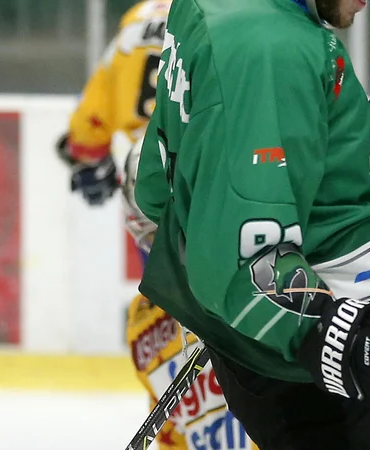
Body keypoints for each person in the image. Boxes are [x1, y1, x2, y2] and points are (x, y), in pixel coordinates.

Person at [131, 0, 370, 448]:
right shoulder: (271, 47)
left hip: (281, 324)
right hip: (321, 346)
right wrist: (338, 340)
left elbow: (155, 190)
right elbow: (246, 264)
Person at [58, 1, 253, 448]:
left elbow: (88, 127)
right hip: (215, 183)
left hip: (145, 181)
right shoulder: (240, 13)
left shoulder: (134, 24)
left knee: (166, 308)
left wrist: (88, 157)